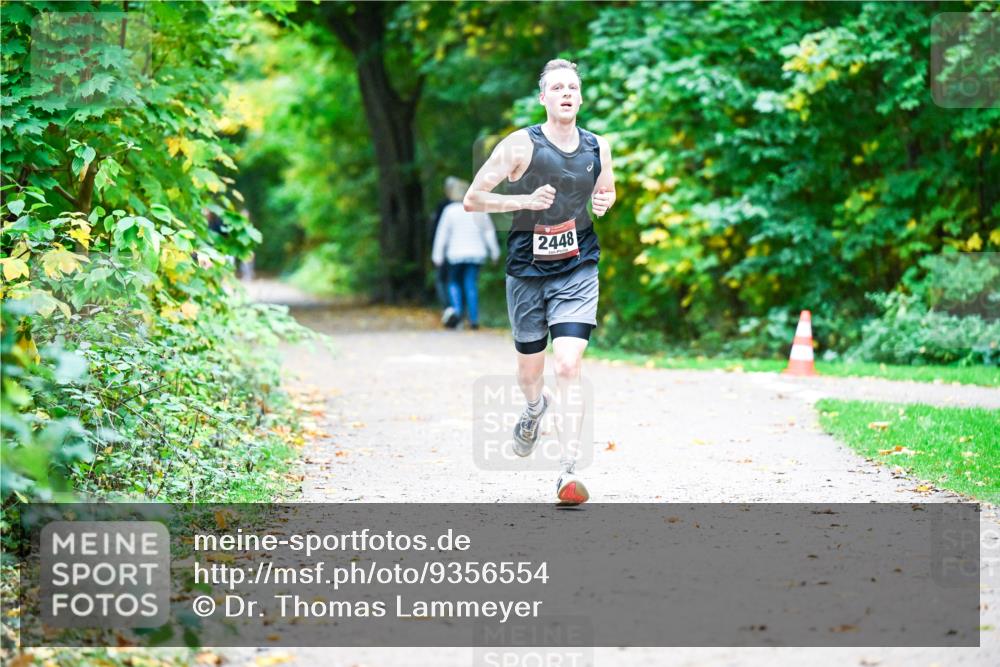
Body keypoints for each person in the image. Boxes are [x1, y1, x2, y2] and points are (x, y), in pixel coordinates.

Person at [464, 58, 616, 505]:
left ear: (581, 97)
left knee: (568, 365)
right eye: (557, 88)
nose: (566, 93)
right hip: (527, 270)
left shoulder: (597, 147)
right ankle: (534, 409)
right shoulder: (518, 146)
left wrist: (604, 203)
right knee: (530, 372)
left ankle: (568, 470)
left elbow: (606, 190)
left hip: (578, 264)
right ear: (543, 97)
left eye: (573, 87)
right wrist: (524, 199)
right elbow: (473, 199)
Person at [431, 177, 500, 329]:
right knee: (470, 284)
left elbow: (442, 234)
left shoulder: (449, 211)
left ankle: (457, 314)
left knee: (453, 283)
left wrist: (437, 256)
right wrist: (494, 252)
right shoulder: (478, 209)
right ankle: (474, 320)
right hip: (476, 254)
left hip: (455, 254)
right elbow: (489, 232)